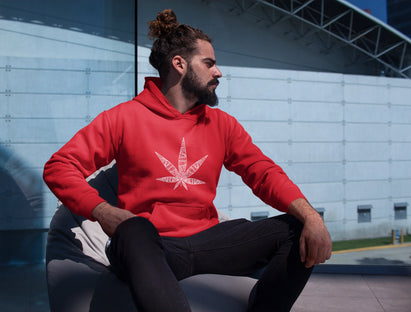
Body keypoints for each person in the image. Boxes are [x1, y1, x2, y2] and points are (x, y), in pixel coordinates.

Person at [43, 9, 332, 312]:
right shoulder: (123, 118)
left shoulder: (222, 124)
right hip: (151, 247)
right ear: (179, 64)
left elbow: (263, 173)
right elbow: (59, 167)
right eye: (209, 63)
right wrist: (103, 212)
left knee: (299, 228)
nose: (218, 72)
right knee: (133, 230)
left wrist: (312, 217)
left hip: (211, 243)